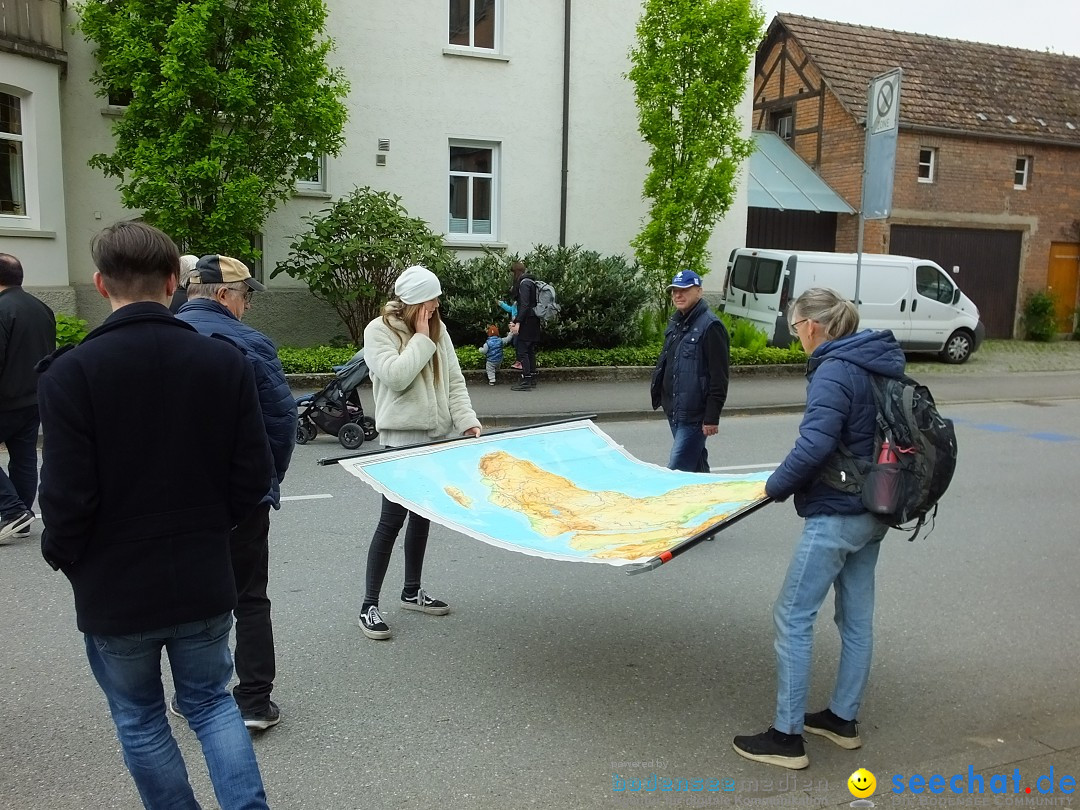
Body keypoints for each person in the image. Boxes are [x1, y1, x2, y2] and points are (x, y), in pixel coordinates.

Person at [36, 221, 273, 808]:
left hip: (114, 584)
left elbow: (65, 495)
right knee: (213, 703)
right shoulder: (223, 363)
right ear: (174, 282)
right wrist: (212, 531)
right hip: (201, 570)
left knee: (141, 719)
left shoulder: (71, 373)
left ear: (99, 284)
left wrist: (65, 556)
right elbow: (251, 477)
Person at [732, 287, 905, 770]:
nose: (796, 337)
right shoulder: (877, 360)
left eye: (794, 328)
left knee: (792, 615)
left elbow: (814, 446)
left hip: (838, 512)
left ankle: (787, 737)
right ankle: (841, 720)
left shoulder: (834, 369)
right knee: (855, 618)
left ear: (811, 325)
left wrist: (772, 488)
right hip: (876, 507)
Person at [176, 253, 297, 730]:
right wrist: (267, 480)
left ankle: (195, 696)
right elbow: (280, 418)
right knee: (249, 596)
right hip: (239, 495)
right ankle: (253, 701)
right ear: (225, 295)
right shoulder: (247, 342)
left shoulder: (162, 338)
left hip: (176, 498)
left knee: (188, 599)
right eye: (246, 295)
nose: (247, 304)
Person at [359, 264, 482, 640]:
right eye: (429, 303)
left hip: (436, 438)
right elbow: (396, 376)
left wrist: (467, 421)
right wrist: (422, 337)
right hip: (399, 441)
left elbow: (454, 382)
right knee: (391, 521)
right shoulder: (378, 331)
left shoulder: (438, 330)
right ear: (412, 304)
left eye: (436, 302)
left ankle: (411, 591)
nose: (436, 308)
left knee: (423, 516)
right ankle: (368, 606)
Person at [649, 269, 729, 473]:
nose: (678, 294)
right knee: (696, 465)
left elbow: (719, 376)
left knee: (677, 471)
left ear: (699, 292)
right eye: (675, 290)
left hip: (695, 415)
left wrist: (712, 416)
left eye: (684, 289)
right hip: (675, 409)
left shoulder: (711, 327)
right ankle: (711, 498)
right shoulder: (677, 323)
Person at [0, 254, 55, 542]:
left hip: (5, 399)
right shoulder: (41, 308)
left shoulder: (1, 309)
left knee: (21, 458)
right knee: (22, 458)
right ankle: (20, 516)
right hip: (34, 396)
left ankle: (11, 510)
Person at [508, 260, 541, 391]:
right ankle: (532, 378)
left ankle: (526, 380)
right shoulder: (531, 282)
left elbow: (525, 305)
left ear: (516, 272)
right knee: (530, 350)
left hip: (527, 322)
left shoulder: (524, 283)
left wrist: (517, 322)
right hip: (534, 320)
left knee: (522, 351)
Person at [496, 296, 521, 369]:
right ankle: (519, 361)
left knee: (518, 343)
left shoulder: (521, 304)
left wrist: (516, 322)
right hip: (514, 327)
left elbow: (520, 314)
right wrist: (501, 304)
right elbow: (510, 309)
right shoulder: (515, 304)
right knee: (516, 343)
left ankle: (521, 361)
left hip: (519, 327)